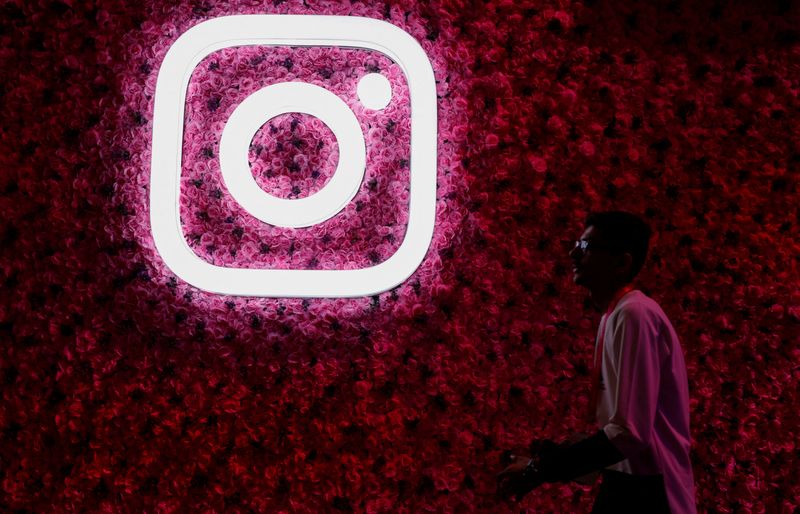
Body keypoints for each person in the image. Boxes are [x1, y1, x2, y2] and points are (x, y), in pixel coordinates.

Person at [497, 211, 696, 513]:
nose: (573, 253)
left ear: (621, 263)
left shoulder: (634, 315)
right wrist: (542, 467)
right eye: (579, 243)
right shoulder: (617, 314)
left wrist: (538, 470)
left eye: (587, 247)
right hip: (629, 483)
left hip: (650, 492)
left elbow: (630, 432)